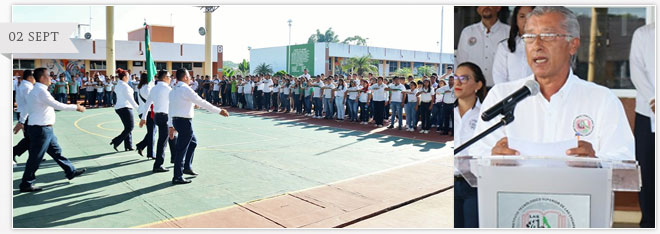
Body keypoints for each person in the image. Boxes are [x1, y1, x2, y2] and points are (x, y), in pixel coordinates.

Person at [469, 7, 634, 161]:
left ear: (572, 45)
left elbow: (623, 160)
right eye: (530, 37)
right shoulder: (501, 96)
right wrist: (492, 156)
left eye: (547, 36)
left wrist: (596, 162)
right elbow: (476, 156)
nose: (537, 45)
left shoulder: (602, 100)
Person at [18, 67, 86, 192]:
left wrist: (21, 121)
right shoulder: (41, 91)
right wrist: (76, 107)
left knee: (56, 151)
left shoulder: (35, 90)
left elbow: (27, 107)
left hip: (43, 128)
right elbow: (57, 104)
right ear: (43, 78)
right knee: (35, 157)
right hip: (41, 129)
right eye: (49, 76)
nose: (51, 78)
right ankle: (26, 183)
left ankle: (70, 171)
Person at [168, 68, 230, 184]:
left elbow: (172, 107)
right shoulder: (186, 89)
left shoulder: (173, 90)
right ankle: (177, 176)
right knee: (181, 150)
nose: (190, 78)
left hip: (177, 120)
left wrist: (171, 125)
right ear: (185, 77)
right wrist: (218, 110)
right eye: (189, 76)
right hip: (185, 122)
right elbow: (202, 102)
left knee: (193, 142)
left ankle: (187, 167)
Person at [452, 62, 487, 228]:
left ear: (478, 85)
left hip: (473, 184)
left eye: (464, 78)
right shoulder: (448, 112)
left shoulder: (486, 116)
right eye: (456, 78)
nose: (457, 83)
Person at [630, 22, 655, 228]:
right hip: (648, 112)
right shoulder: (644, 34)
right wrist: (654, 99)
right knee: (647, 171)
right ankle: (649, 222)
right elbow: (636, 70)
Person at [456, 6, 510, 87]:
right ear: (478, 9)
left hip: (500, 88)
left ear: (498, 7)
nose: (486, 6)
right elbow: (461, 62)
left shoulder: (509, 32)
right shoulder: (467, 32)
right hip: (472, 88)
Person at [140, 70, 177, 173]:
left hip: (156, 116)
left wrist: (144, 117)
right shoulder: (168, 89)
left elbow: (147, 103)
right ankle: (158, 164)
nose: (170, 78)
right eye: (169, 76)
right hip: (165, 117)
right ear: (165, 77)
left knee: (171, 137)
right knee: (163, 141)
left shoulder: (154, 88)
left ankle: (175, 157)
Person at [493, 6, 535, 84]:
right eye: (522, 16)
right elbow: (499, 76)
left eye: (530, 16)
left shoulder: (544, 45)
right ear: (516, 20)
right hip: (512, 93)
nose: (526, 20)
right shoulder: (504, 46)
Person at [109, 69, 139, 152]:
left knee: (127, 127)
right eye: (128, 76)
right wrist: (138, 108)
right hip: (125, 107)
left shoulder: (119, 85)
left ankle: (128, 145)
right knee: (130, 127)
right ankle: (116, 141)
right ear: (125, 77)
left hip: (120, 108)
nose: (129, 77)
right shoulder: (125, 86)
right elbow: (130, 99)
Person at [13, 70, 35, 163]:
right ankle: (12, 152)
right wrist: (22, 121)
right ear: (30, 77)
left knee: (30, 137)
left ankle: (33, 156)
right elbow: (28, 104)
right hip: (25, 114)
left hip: (24, 114)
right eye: (34, 77)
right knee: (30, 138)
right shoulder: (27, 87)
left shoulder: (24, 85)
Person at [135, 73, 155, 159]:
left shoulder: (140, 87)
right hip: (147, 112)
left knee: (152, 132)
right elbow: (151, 100)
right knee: (152, 133)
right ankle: (150, 152)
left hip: (143, 111)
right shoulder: (147, 88)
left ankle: (141, 145)